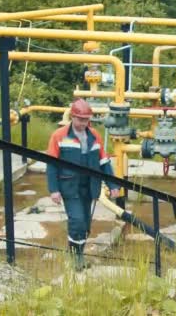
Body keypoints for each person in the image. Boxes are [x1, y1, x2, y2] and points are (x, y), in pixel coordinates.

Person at [46, 98, 120, 271]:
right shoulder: (59, 136)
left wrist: (113, 185)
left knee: (85, 224)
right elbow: (51, 164)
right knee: (77, 220)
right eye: (80, 119)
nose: (83, 123)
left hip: (90, 186)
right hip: (70, 186)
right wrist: (54, 189)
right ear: (72, 117)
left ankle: (78, 252)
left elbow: (104, 162)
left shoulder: (94, 136)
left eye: (86, 119)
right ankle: (76, 257)